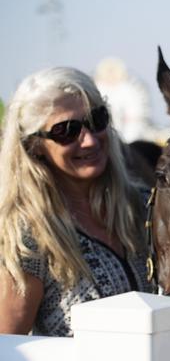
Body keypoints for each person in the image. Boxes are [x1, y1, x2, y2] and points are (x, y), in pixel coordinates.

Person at [0, 67, 152, 336]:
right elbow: (8, 345)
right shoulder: (27, 238)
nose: (89, 140)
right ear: (34, 146)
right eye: (67, 131)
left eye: (97, 119)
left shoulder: (146, 207)